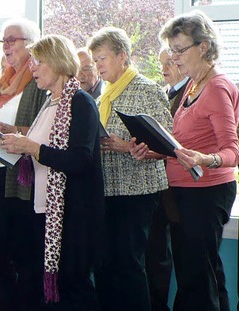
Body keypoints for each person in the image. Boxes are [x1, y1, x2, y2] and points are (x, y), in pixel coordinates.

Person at [134, 11, 239, 311]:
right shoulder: (194, 85)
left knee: (195, 279)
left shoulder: (217, 87)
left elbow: (232, 150)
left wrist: (206, 158)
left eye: (180, 50)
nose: (174, 57)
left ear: (203, 47)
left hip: (205, 193)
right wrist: (152, 150)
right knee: (204, 274)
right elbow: (184, 145)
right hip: (184, 192)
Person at [0, 34, 103, 310]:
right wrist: (17, 144)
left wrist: (34, 148)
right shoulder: (48, 103)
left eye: (39, 61)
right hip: (43, 208)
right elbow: (40, 149)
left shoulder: (81, 102)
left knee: (73, 286)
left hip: (73, 213)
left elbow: (81, 160)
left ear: (58, 62)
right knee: (46, 288)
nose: (32, 67)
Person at [87, 27, 172, 311]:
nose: (97, 65)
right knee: (104, 264)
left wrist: (126, 147)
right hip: (106, 189)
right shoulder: (102, 97)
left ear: (122, 56)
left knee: (128, 264)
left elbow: (170, 146)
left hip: (137, 192)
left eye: (102, 58)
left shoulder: (147, 90)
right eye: (95, 60)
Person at [0, 18, 47, 310]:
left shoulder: (39, 82)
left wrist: (11, 129)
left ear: (31, 44)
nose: (6, 47)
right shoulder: (4, 81)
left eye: (12, 40)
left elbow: (45, 130)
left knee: (24, 251)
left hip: (23, 177)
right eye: (3, 41)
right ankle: (8, 303)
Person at [145, 47, 188, 311]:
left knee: (191, 265)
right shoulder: (164, 93)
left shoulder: (191, 93)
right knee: (155, 257)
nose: (164, 69)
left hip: (185, 188)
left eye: (170, 62)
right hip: (162, 188)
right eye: (162, 63)